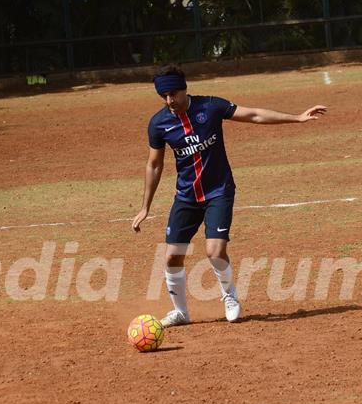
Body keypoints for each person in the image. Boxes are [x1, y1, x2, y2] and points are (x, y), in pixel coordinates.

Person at [132, 64, 327, 327]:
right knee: (172, 256)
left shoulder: (210, 107)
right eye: (164, 97)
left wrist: (297, 117)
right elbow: (154, 165)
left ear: (184, 88)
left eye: (174, 94)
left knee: (214, 250)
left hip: (218, 191)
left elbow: (255, 115)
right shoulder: (159, 123)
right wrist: (145, 207)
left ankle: (229, 296)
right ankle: (181, 312)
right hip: (187, 197)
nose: (170, 101)